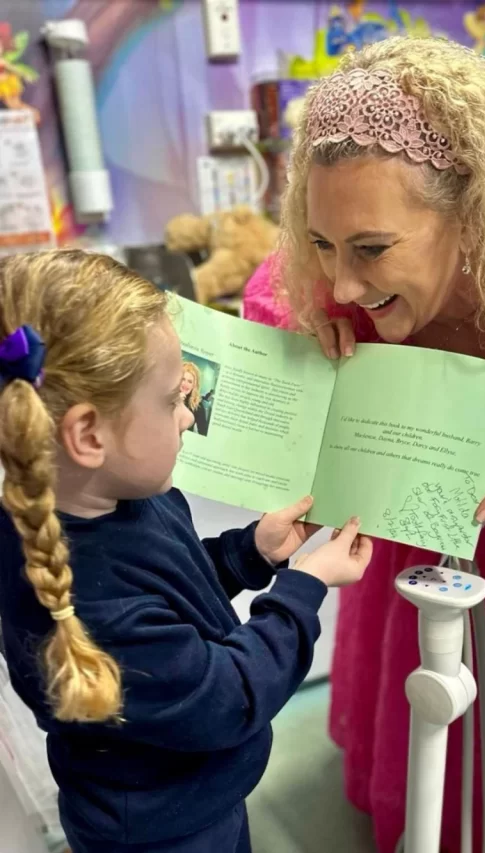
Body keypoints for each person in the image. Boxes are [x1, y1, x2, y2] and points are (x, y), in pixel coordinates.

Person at [243, 36, 485, 853]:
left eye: (370, 248)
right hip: (420, 532)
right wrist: (313, 338)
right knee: (430, 728)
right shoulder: (339, 282)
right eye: (321, 243)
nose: (342, 284)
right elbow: (277, 292)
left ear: (478, 212)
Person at [0, 249, 373, 853]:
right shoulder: (87, 603)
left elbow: (173, 590)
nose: (187, 414)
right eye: (173, 399)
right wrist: (304, 587)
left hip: (199, 796)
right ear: (89, 435)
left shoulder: (119, 499)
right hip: (162, 832)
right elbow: (232, 695)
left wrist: (251, 552)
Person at [181, 360, 210, 436]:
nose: (185, 384)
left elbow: (203, 433)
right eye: (183, 379)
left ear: (194, 385)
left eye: (190, 381)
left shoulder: (198, 405)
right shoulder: (169, 397)